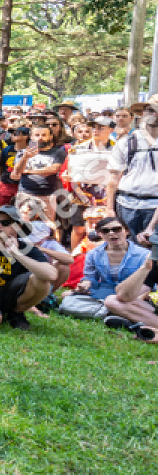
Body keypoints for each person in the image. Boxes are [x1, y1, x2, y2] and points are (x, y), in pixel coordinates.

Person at [60, 216, 145, 321]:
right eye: (105, 231)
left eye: (116, 229)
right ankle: (112, 313)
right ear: (100, 234)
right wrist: (85, 284)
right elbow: (90, 278)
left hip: (129, 294)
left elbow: (149, 284)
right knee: (65, 295)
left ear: (126, 231)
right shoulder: (93, 254)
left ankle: (107, 312)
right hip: (103, 292)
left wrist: (139, 296)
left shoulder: (143, 254)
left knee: (132, 303)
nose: (111, 233)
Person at [107, 98, 158, 241]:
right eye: (150, 110)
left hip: (155, 207)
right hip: (126, 205)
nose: (154, 114)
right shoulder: (126, 143)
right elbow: (113, 179)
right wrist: (110, 209)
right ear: (143, 113)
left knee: (152, 253)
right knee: (127, 249)